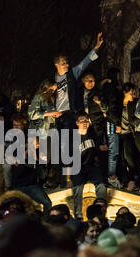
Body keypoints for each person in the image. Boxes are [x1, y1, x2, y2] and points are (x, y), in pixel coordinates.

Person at [53, 32, 105, 185]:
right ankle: (66, 177)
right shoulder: (52, 79)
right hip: (58, 116)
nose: (67, 66)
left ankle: (76, 175)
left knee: (72, 143)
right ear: (57, 65)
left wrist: (96, 47)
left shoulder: (71, 75)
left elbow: (84, 63)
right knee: (62, 146)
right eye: (64, 64)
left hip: (70, 114)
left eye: (67, 63)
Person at [71, 112, 108, 220]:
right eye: (82, 121)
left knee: (101, 185)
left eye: (87, 120)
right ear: (77, 123)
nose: (85, 123)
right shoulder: (72, 138)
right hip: (78, 168)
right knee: (78, 189)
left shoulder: (92, 134)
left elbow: (97, 149)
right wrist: (68, 179)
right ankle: (78, 216)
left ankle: (101, 212)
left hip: (91, 166)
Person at [28, 80, 61, 189]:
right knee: (43, 157)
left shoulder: (51, 98)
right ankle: (40, 181)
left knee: (50, 157)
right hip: (42, 131)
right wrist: (49, 113)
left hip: (51, 129)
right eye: (51, 89)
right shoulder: (39, 97)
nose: (53, 92)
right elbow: (31, 114)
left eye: (54, 90)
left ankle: (48, 181)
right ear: (45, 87)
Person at [100, 67, 124, 189]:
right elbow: (112, 107)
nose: (120, 78)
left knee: (114, 150)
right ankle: (111, 176)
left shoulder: (113, 87)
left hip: (113, 121)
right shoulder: (110, 88)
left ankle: (112, 175)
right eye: (118, 75)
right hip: (112, 122)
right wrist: (117, 122)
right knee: (113, 150)